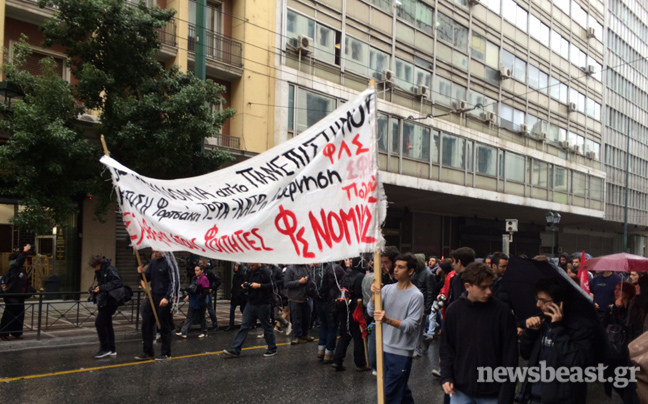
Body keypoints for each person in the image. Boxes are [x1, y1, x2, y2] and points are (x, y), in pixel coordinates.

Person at [440, 262, 518, 404]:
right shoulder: (454, 311)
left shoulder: (503, 312)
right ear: (468, 286)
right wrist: (446, 377)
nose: (489, 291)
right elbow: (446, 348)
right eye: (483, 287)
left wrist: (507, 394)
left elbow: (510, 355)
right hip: (460, 389)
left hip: (493, 391)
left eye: (491, 286)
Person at [520, 277, 603, 404]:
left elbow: (577, 364)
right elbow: (525, 354)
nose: (538, 305)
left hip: (562, 399)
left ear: (559, 303)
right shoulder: (542, 321)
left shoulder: (581, 327)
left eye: (543, 300)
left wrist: (557, 329)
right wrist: (531, 332)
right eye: (537, 299)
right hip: (534, 396)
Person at [368, 252, 424, 404]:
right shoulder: (387, 289)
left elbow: (412, 325)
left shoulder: (416, 295)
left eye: (401, 267)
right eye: (396, 266)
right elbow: (371, 312)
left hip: (401, 352)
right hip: (383, 348)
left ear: (411, 271)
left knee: (389, 394)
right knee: (399, 390)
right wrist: (374, 296)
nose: (396, 270)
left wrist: (388, 320)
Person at [223, 262, 277, 358]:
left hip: (263, 303)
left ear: (258, 263)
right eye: (250, 265)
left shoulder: (266, 272)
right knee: (244, 326)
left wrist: (259, 286)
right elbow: (246, 281)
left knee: (266, 326)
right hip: (251, 302)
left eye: (252, 265)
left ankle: (272, 347)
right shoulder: (249, 271)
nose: (250, 267)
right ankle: (236, 349)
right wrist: (245, 285)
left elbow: (272, 286)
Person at [135, 250, 177, 361]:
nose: (155, 253)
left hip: (163, 298)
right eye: (153, 251)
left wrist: (167, 297)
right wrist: (141, 272)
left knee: (164, 325)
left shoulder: (169, 263)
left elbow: (173, 282)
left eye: (157, 251)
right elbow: (147, 277)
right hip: (152, 296)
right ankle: (148, 351)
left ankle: (166, 353)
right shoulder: (153, 262)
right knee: (146, 324)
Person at [363, 246, 399, 374]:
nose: (383, 265)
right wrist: (373, 296)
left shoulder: (402, 281)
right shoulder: (379, 278)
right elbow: (370, 311)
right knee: (374, 361)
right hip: (378, 323)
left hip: (394, 325)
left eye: (386, 262)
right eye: (381, 262)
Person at [332, 256, 368, 371]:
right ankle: (360, 363)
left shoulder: (346, 275)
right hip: (356, 308)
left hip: (344, 307)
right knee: (358, 335)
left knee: (345, 335)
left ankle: (337, 361)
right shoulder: (362, 277)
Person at [89, 255, 124, 358]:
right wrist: (96, 289)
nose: (94, 269)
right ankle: (111, 348)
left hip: (110, 300)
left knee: (99, 323)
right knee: (107, 324)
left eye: (94, 266)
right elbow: (104, 284)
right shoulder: (101, 271)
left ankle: (105, 348)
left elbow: (118, 282)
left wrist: (101, 288)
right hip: (105, 300)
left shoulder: (109, 269)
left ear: (99, 264)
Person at [0, 244, 31, 341]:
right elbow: (2, 283)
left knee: (19, 315)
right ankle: (4, 333)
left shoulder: (21, 271)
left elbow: (26, 283)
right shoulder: (13, 270)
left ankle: (16, 333)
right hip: (12, 297)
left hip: (20, 297)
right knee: (9, 315)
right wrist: (24, 251)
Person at [176, 265, 210, 338]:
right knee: (189, 316)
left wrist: (202, 300)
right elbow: (192, 288)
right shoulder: (194, 278)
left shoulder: (204, 279)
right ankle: (183, 332)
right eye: (195, 270)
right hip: (194, 299)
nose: (196, 272)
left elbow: (205, 290)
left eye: (197, 270)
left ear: (202, 271)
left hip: (200, 299)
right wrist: (189, 295)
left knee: (202, 317)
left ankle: (204, 331)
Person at [284, 263, 314, 344]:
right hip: (294, 299)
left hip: (306, 297)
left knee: (307, 318)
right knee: (296, 319)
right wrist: (299, 282)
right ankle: (296, 336)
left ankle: (305, 334)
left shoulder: (307, 267)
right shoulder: (290, 268)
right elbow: (286, 283)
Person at [200, 257, 221, 331]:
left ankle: (215, 325)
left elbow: (218, 280)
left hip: (208, 292)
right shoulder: (202, 272)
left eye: (201, 264)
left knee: (210, 308)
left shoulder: (209, 272)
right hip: (202, 292)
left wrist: (212, 288)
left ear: (205, 264)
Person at [225, 262, 247, 331]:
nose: (235, 267)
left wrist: (241, 292)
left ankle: (248, 323)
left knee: (243, 309)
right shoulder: (235, 275)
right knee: (232, 309)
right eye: (234, 266)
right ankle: (231, 324)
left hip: (241, 296)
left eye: (237, 266)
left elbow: (245, 286)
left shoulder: (243, 275)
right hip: (235, 295)